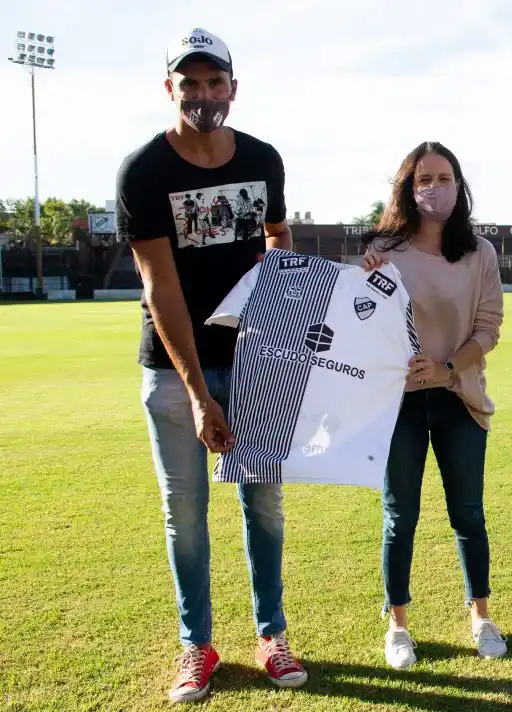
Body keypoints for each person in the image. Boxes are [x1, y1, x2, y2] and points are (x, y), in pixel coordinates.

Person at [115, 28, 307, 703]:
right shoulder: (145, 172)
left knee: (266, 505)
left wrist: (275, 262)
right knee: (186, 513)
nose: (202, 95)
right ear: (170, 88)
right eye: (188, 83)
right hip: (175, 371)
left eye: (213, 82)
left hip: (257, 362)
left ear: (233, 86)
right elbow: (159, 288)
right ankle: (197, 646)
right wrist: (199, 393)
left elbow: (280, 236)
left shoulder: (263, 159)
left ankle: (272, 636)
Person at [361, 142, 507, 669]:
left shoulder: (480, 253)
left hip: (459, 399)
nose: (434, 187)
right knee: (400, 517)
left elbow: (488, 327)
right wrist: (366, 273)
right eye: (424, 178)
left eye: (444, 177)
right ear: (408, 184)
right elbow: (363, 323)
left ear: (458, 184)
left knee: (468, 513)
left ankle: (482, 617)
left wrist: (448, 370)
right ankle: (398, 626)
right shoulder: (383, 248)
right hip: (397, 406)